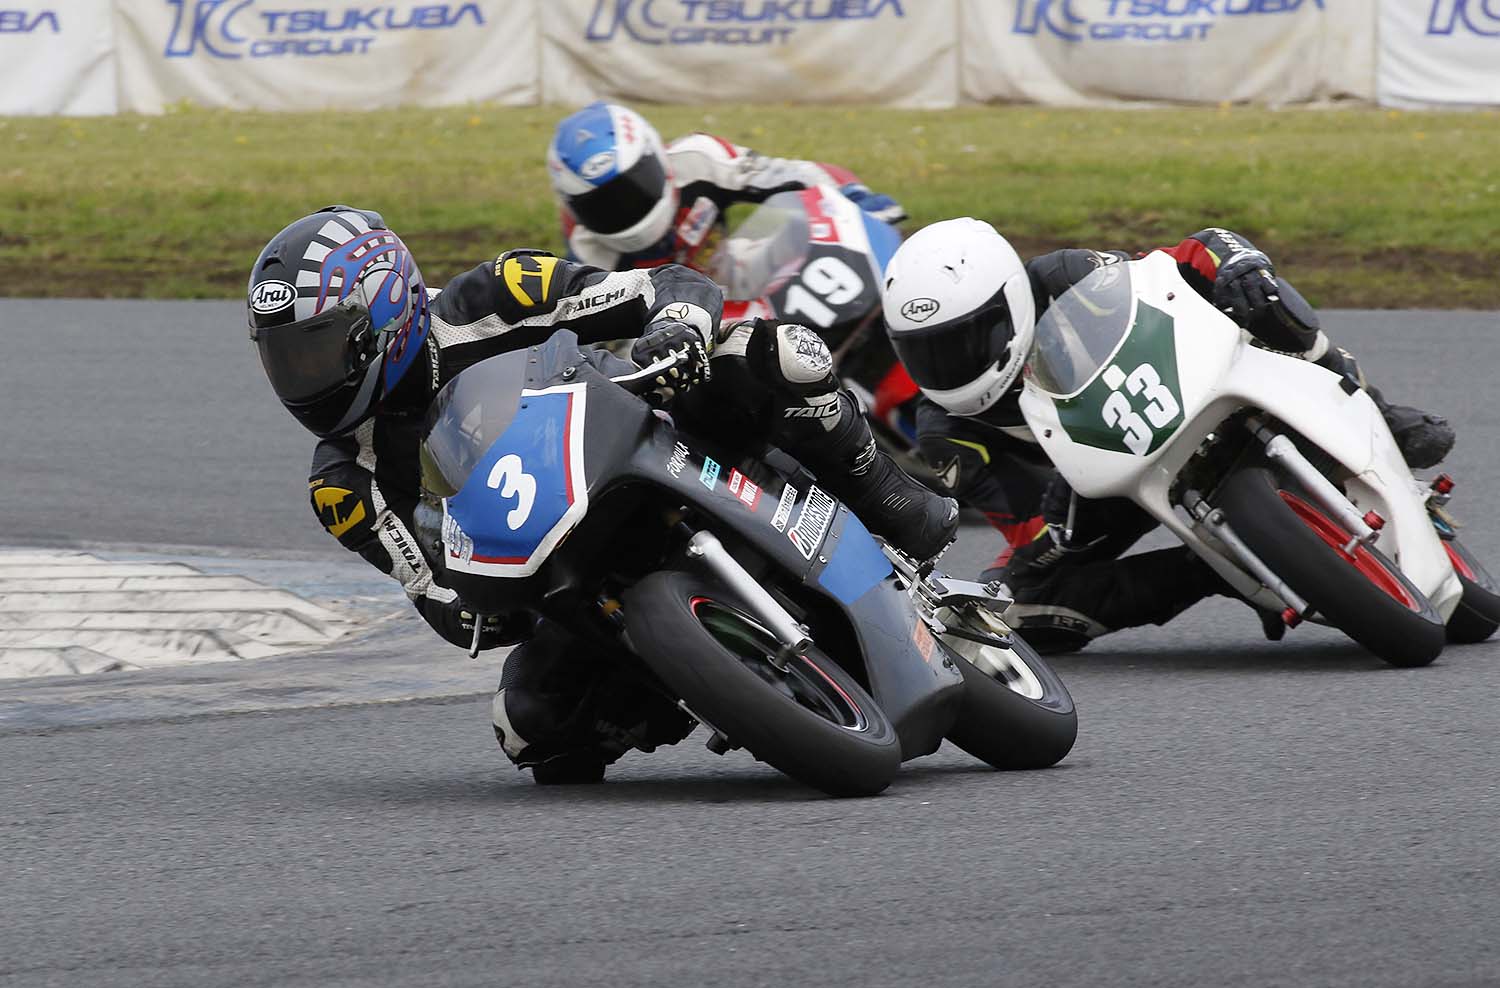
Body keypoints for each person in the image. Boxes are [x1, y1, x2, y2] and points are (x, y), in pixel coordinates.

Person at [247, 206, 956, 781]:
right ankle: (703, 682)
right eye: (285, 360)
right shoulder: (343, 482)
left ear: (387, 314)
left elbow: (664, 285)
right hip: (558, 575)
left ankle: (892, 499)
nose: (303, 380)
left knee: (767, 354)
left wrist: (675, 331)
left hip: (640, 434)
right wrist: (467, 597)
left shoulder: (492, 297)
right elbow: (434, 595)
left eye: (316, 351)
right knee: (530, 730)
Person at [879, 219, 1456, 653]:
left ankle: (1379, 409)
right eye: (926, 351)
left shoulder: (1061, 275)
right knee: (1014, 607)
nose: (948, 365)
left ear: (1009, 304)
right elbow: (1027, 532)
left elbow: (1175, 266)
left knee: (1260, 294)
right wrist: (1055, 524)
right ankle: (1217, 568)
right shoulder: (946, 432)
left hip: (1175, 380)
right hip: (1098, 488)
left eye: (965, 340)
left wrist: (1236, 263)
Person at [547, 101, 905, 271]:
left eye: (633, 187)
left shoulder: (699, 158)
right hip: (670, 332)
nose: (626, 207)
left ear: (656, 154)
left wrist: (854, 200)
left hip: (737, 278)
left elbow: (794, 175)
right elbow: (602, 338)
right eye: (604, 205)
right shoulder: (588, 250)